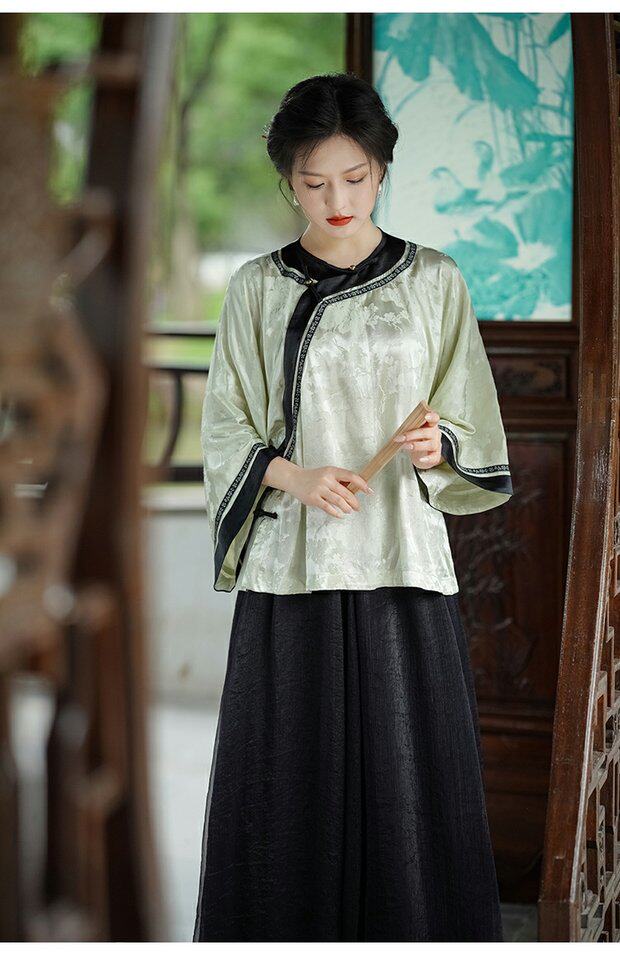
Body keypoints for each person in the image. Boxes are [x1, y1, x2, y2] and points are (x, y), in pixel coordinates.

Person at [193, 72, 513, 943]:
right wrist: (295, 477)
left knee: (407, 769)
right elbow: (225, 425)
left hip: (400, 550)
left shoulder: (435, 280)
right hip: (294, 559)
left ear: (382, 170)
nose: (337, 200)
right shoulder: (257, 288)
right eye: (313, 182)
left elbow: (469, 417)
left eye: (355, 178)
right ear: (287, 181)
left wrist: (436, 445)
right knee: (289, 768)